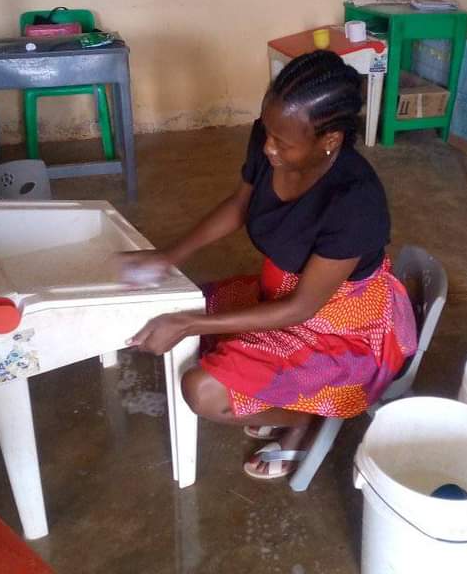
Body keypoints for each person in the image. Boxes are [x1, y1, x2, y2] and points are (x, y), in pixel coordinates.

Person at [122, 50, 416, 480]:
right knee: (190, 307)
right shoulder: (272, 139)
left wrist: (185, 323)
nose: (268, 147)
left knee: (203, 390)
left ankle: (306, 419)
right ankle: (288, 405)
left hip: (339, 328)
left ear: (330, 139)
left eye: (283, 141)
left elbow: (301, 310)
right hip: (278, 293)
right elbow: (241, 204)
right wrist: (168, 256)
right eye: (268, 131)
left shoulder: (355, 203)